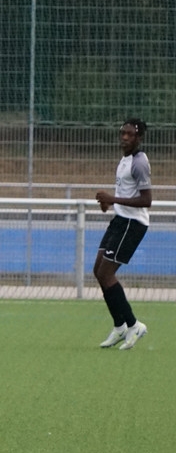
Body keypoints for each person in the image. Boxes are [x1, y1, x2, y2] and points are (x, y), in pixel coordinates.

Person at [94, 118, 151, 351]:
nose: (125, 138)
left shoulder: (139, 162)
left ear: (139, 138)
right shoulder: (124, 160)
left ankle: (134, 325)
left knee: (107, 274)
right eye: (123, 133)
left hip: (133, 224)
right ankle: (120, 327)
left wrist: (113, 199)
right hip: (119, 220)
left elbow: (146, 200)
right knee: (98, 271)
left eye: (130, 134)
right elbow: (126, 193)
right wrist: (108, 203)